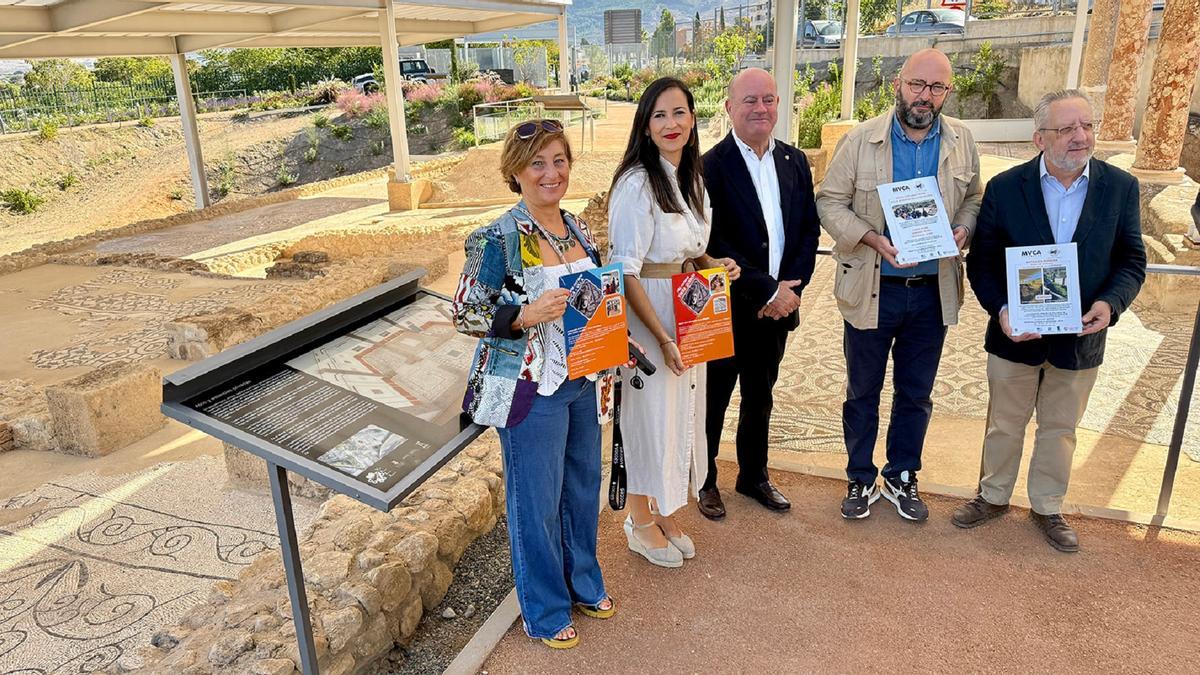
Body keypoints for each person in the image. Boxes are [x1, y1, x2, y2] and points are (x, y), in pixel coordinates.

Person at [451, 119, 635, 648]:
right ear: (515, 171)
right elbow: (465, 311)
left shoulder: (576, 229)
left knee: (580, 490)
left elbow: (592, 300)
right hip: (532, 389)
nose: (551, 173)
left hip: (583, 377)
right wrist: (525, 313)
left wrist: (616, 336)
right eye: (537, 163)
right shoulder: (499, 236)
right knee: (535, 501)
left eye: (559, 160)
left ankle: (583, 582)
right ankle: (546, 609)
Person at [957, 89, 1146, 552]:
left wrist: (1112, 304)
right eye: (1066, 129)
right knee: (1003, 423)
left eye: (1086, 126)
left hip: (1080, 338)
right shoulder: (1005, 188)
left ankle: (1047, 505)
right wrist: (1001, 311)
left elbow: (1131, 260)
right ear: (1039, 138)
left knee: (1061, 429)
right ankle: (993, 495)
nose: (1080, 136)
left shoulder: (1121, 187)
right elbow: (981, 263)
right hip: (1014, 335)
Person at [816, 48, 983, 522]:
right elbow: (829, 202)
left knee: (916, 392)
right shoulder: (861, 140)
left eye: (936, 88)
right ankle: (860, 476)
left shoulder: (961, 142)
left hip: (931, 291)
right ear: (897, 84)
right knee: (862, 390)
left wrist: (963, 230)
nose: (924, 96)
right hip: (874, 287)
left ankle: (902, 474)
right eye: (917, 85)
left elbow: (974, 197)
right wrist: (870, 238)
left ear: (947, 92)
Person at [607, 77, 741, 566]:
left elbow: (690, 247)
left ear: (693, 119)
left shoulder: (692, 177)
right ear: (645, 124)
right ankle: (638, 521)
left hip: (689, 308)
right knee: (648, 416)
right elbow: (625, 270)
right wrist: (661, 338)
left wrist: (714, 264)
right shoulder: (635, 183)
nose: (671, 123)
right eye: (660, 115)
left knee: (679, 414)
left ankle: (660, 509)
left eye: (680, 112)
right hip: (652, 318)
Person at [700, 67, 821, 519]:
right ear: (729, 107)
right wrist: (767, 289)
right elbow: (710, 244)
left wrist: (791, 289)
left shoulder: (794, 161)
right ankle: (704, 479)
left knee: (761, 395)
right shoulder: (709, 166)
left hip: (777, 311)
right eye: (750, 100)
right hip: (728, 308)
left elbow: (807, 229)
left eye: (768, 99)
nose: (761, 108)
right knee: (714, 399)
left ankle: (753, 475)